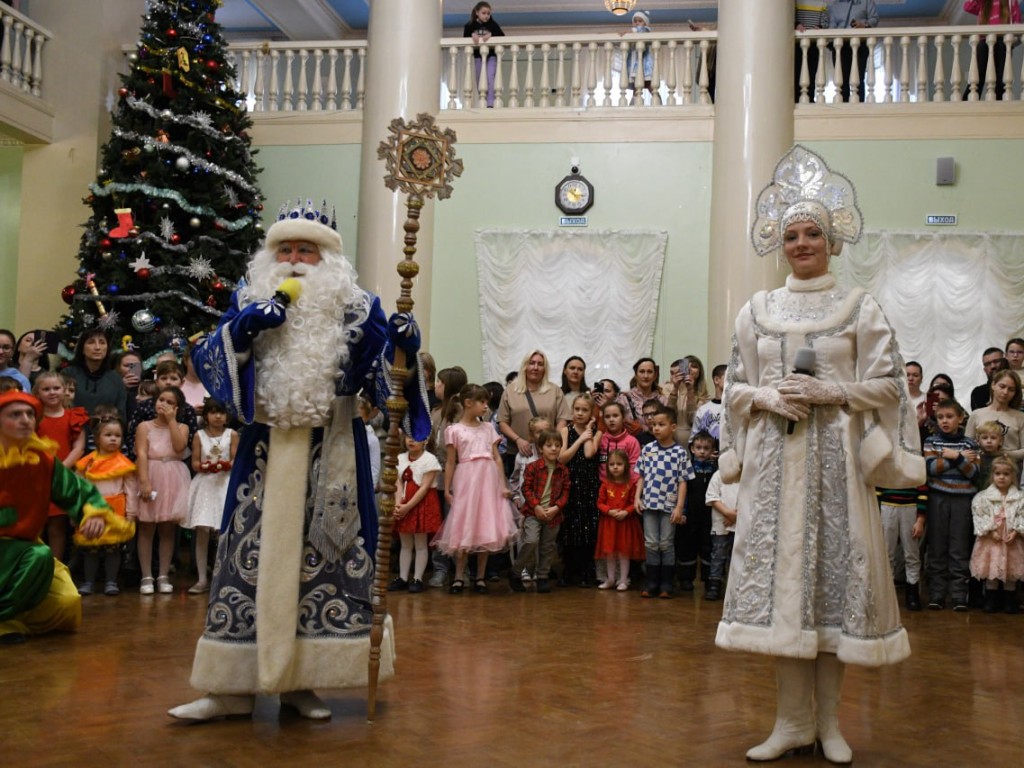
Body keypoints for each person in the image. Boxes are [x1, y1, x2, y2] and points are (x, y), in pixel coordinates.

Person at [169, 199, 430, 722]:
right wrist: (241, 331)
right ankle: (230, 687)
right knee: (244, 561)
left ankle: (304, 682)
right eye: (284, 248)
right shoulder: (249, 298)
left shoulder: (359, 307)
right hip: (263, 453)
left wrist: (405, 344)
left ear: (326, 257)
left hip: (331, 450)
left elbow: (388, 384)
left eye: (304, 250)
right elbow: (209, 363)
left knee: (324, 563)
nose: (292, 258)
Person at [717, 146, 924, 763]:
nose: (801, 243)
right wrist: (762, 396)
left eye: (812, 234)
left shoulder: (860, 306)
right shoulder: (756, 310)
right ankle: (789, 723)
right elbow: (731, 387)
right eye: (792, 235)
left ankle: (829, 723)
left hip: (836, 465)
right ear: (780, 245)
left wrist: (835, 391)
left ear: (832, 241)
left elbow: (891, 385)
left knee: (832, 589)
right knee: (784, 593)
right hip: (774, 468)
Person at [0, 390, 127, 644]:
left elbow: (77, 491)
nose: (26, 420)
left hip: (24, 548)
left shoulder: (43, 460)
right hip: (13, 551)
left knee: (67, 605)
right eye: (16, 414)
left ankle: (9, 617)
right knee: (40, 555)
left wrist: (92, 512)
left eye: (29, 414)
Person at [434, 384, 518, 595]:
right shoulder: (454, 430)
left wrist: (502, 485)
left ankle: (480, 577)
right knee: (465, 525)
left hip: (488, 480)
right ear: (468, 403)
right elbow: (451, 462)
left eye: (487, 403)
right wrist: (447, 489)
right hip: (467, 481)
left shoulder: (489, 428)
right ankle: (459, 576)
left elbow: (497, 457)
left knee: (485, 526)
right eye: (482, 402)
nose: (485, 406)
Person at [923, 399, 980, 611]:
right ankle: (937, 594)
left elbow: (974, 473)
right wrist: (958, 459)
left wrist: (954, 456)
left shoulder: (970, 444)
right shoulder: (931, 441)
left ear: (960, 418)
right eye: (940, 417)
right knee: (937, 546)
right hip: (938, 498)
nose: (945, 421)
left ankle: (958, 595)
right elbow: (931, 468)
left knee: (959, 547)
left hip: (963, 500)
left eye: (949, 417)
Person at [74, 414, 138, 596]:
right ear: (97, 438)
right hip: (92, 510)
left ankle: (111, 581)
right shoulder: (88, 462)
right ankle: (89, 582)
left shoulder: (123, 464)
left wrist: (131, 513)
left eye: (117, 436)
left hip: (116, 510)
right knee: (91, 547)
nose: (113, 439)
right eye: (108, 435)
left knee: (113, 548)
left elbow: (130, 490)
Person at [135, 386, 190, 595]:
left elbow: (178, 447)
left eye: (169, 402)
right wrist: (144, 480)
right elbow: (141, 453)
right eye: (161, 399)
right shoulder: (144, 426)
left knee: (167, 528)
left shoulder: (182, 427)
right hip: (151, 472)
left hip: (173, 477)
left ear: (177, 408)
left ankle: (164, 575)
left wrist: (172, 421)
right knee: (147, 527)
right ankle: (146, 576)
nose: (163, 404)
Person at [635, 405, 692, 598]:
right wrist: (637, 498)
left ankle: (667, 583)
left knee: (666, 543)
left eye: (661, 424)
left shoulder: (680, 453)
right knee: (651, 542)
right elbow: (640, 476)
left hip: (669, 507)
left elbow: (683, 482)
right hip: (649, 503)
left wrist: (679, 508)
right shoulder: (648, 449)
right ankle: (652, 582)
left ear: (673, 427)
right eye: (654, 425)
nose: (656, 428)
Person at [183, 398, 238, 595]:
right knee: (203, 531)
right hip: (206, 485)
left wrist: (225, 465)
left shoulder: (231, 435)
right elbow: (195, 463)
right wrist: (206, 467)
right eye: (213, 412)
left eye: (221, 413)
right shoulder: (199, 435)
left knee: (223, 531)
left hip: (224, 484)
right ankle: (201, 578)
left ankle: (223, 576)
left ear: (227, 416)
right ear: (206, 415)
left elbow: (234, 458)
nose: (217, 416)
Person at [33, 371, 88, 563]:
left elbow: (79, 447)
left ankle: (56, 570)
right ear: (37, 393)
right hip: (36, 477)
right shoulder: (33, 418)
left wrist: (60, 468)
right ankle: (33, 567)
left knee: (57, 526)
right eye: (46, 389)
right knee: (35, 524)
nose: (52, 392)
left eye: (56, 388)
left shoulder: (74, 416)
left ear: (65, 390)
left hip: (62, 477)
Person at [509, 429, 569, 594]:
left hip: (553, 515)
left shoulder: (563, 470)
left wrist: (556, 507)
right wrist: (536, 506)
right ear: (541, 448)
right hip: (532, 513)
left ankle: (542, 576)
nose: (554, 449)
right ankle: (516, 572)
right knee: (531, 540)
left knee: (547, 546)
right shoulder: (532, 467)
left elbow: (565, 492)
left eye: (557, 445)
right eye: (549, 445)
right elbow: (526, 489)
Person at [427, 366, 468, 588]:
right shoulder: (435, 412)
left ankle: (461, 569)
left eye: (439, 382)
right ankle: (440, 567)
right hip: (437, 474)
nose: (436, 386)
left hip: (459, 475)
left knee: (456, 522)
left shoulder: (463, 413)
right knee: (440, 523)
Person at [971, 455, 1024, 613]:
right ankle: (991, 600)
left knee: (1010, 570)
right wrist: (990, 530)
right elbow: (979, 515)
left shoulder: (1020, 498)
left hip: (1011, 541)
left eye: (1006, 474)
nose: (1002, 477)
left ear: (1013, 476)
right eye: (998, 474)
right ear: (992, 475)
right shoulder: (983, 497)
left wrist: (1016, 530)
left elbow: (1022, 515)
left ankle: (1009, 602)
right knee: (992, 569)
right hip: (991, 541)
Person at [390, 432, 442, 594]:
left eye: (416, 437)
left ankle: (418, 578)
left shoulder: (430, 460)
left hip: (421, 504)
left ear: (426, 440)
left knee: (420, 544)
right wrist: (399, 504)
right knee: (405, 544)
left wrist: (408, 507)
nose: (411, 440)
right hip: (404, 503)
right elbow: (397, 483)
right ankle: (403, 577)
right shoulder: (400, 458)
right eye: (408, 437)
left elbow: (425, 487)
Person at [558, 393, 601, 587]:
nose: (580, 413)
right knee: (570, 527)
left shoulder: (596, 432)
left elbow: (589, 453)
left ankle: (587, 571)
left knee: (589, 527)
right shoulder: (566, 431)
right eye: (577, 409)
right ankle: (569, 570)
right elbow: (562, 458)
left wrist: (589, 431)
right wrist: (580, 437)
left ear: (592, 413)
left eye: (585, 410)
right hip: (570, 484)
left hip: (589, 485)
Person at [497, 350, 571, 462]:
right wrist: (518, 440)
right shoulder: (510, 391)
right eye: (531, 363)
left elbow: (562, 420)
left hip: (547, 454)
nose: (535, 367)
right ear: (525, 366)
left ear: (545, 369)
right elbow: (503, 422)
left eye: (540, 364)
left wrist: (552, 443)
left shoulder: (554, 390)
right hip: (518, 453)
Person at [125, 360, 198, 460]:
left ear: (182, 382)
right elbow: (132, 434)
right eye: (163, 378)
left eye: (173, 379)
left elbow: (191, 440)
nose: (168, 382)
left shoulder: (187, 409)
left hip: (176, 461)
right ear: (157, 381)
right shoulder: (144, 406)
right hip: (147, 459)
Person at [594, 449, 645, 591]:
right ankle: (610, 579)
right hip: (609, 524)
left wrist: (626, 512)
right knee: (610, 553)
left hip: (625, 524)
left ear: (626, 466)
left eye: (619, 464)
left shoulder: (630, 484)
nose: (615, 467)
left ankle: (623, 580)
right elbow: (600, 503)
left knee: (624, 553)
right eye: (611, 464)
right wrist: (609, 511)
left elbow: (633, 503)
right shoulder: (605, 483)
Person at [674, 430, 715, 594]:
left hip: (709, 515)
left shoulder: (715, 470)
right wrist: (682, 511)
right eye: (699, 448)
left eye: (706, 448)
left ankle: (708, 579)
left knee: (708, 546)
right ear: (692, 449)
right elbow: (681, 492)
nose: (702, 451)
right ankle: (686, 578)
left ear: (712, 450)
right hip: (690, 514)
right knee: (687, 545)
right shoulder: (687, 468)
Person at [875, 485, 927, 611]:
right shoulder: (885, 464)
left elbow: (923, 490)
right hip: (887, 506)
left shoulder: (916, 464)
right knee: (887, 554)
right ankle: (886, 595)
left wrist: (920, 520)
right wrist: (876, 513)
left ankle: (912, 593)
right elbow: (878, 489)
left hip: (910, 508)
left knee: (912, 553)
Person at [963, 1, 1022, 100]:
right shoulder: (984, 3)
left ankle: (1000, 100)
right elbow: (968, 6)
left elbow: (1017, 20)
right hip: (984, 40)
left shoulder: (1010, 1)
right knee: (978, 72)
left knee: (1001, 74)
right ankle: (967, 100)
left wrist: (1013, 39)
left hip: (1002, 40)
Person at [65, 328, 127, 420]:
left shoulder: (116, 380)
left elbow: (121, 415)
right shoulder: (68, 374)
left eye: (102, 343)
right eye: (91, 342)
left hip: (104, 431)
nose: (97, 347)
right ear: (82, 349)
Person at [966, 370, 1024, 466]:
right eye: (1002, 386)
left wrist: (1003, 454)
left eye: (1011, 389)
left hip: (1009, 471)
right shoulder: (977, 414)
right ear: (993, 385)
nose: (1005, 392)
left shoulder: (1020, 417)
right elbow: (967, 446)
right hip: (980, 469)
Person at [827, 0, 878, 103]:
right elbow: (831, 26)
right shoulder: (834, 6)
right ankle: (843, 106)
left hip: (860, 44)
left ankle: (859, 105)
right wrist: (831, 42)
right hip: (840, 45)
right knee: (841, 79)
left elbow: (874, 19)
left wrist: (863, 25)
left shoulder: (866, 2)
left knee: (859, 77)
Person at [703, 467, 737, 602]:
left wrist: (735, 515)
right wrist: (727, 513)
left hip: (740, 523)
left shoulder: (747, 475)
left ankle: (734, 587)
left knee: (736, 556)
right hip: (721, 523)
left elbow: (749, 497)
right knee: (718, 555)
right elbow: (712, 497)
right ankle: (714, 585)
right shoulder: (718, 475)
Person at [464, 1, 504, 108]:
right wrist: (472, 35)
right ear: (477, 12)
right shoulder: (470, 25)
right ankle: (483, 99)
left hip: (491, 55)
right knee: (479, 77)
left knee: (490, 76)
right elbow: (465, 36)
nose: (486, 16)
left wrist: (491, 34)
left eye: (488, 13)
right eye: (484, 13)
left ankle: (490, 102)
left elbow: (502, 35)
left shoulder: (492, 24)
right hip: (478, 56)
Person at [795, 1, 829, 103]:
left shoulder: (822, 3)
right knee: (797, 71)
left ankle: (810, 98)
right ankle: (797, 98)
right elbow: (790, 17)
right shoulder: (796, 2)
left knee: (812, 71)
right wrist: (797, 25)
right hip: (798, 43)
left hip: (814, 43)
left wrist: (821, 27)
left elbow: (826, 21)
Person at [623, 357, 667, 436]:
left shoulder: (662, 400)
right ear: (636, 375)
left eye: (649, 372)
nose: (646, 376)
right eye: (642, 371)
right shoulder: (624, 398)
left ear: (655, 375)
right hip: (631, 444)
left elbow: (667, 425)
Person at [620, 10, 654, 98]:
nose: (637, 23)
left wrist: (628, 31)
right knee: (636, 84)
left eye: (640, 21)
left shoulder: (646, 30)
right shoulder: (633, 34)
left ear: (645, 23)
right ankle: (634, 102)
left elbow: (640, 30)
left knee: (650, 84)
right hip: (634, 62)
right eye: (635, 21)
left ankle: (657, 100)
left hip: (643, 62)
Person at [690, 363, 725, 445]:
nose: (732, 382)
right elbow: (693, 439)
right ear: (716, 380)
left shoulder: (736, 408)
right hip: (705, 455)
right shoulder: (703, 410)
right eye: (728, 378)